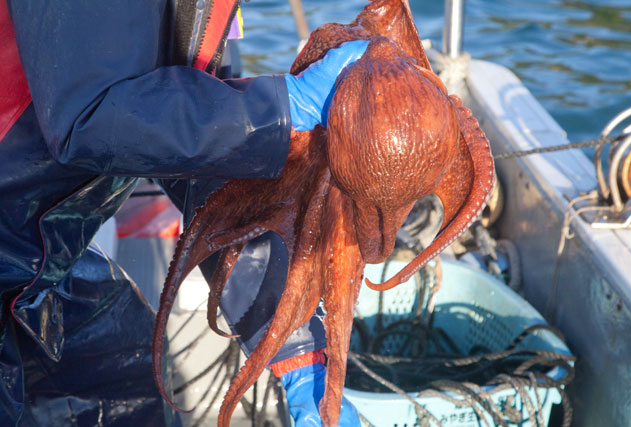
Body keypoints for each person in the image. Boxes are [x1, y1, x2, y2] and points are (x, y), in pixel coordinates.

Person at [1, 0, 367, 425]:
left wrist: (294, 344)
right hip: (16, 230)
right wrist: (284, 108)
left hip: (36, 251)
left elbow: (202, 142)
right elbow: (92, 112)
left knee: (120, 372)